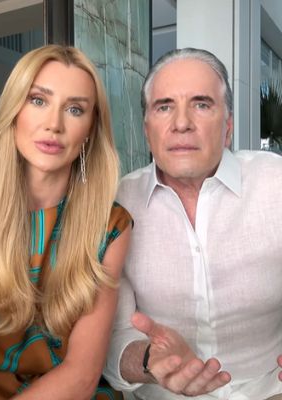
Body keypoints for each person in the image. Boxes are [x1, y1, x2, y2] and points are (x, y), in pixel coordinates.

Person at [103, 48, 282, 400]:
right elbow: (112, 337)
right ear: (147, 130)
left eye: (201, 104)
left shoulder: (275, 183)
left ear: (227, 127)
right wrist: (149, 360)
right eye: (164, 107)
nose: (181, 123)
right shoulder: (118, 204)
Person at [0, 45, 132, 399]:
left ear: (90, 129)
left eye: (74, 109)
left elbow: (81, 376)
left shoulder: (110, 226)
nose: (54, 124)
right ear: (14, 111)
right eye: (38, 100)